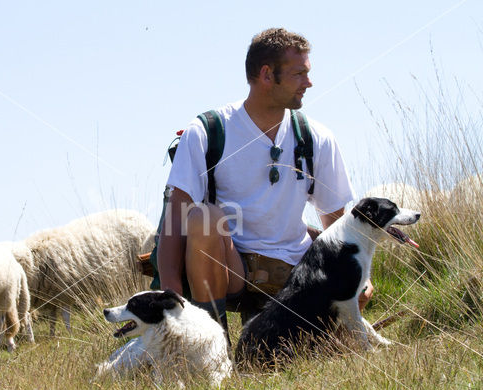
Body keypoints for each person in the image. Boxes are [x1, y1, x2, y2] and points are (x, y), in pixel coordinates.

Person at [156, 28, 372, 334]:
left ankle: (313, 342)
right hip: (233, 269)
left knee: (349, 286)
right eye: (299, 74)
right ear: (267, 75)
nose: (308, 83)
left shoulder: (317, 137)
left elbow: (338, 227)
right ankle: (210, 346)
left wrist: (360, 280)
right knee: (203, 218)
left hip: (298, 270)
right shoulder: (207, 130)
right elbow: (174, 219)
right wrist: (171, 303)